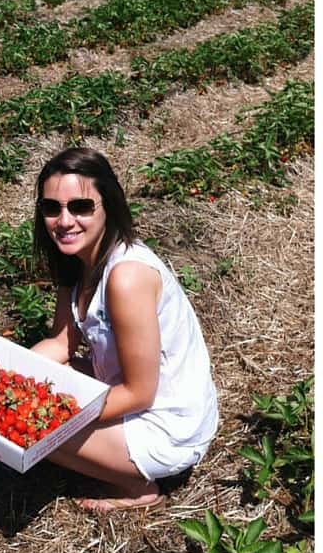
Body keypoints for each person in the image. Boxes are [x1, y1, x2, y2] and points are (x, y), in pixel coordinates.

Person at [29, 147, 218, 512]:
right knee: (39, 383)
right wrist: (6, 373)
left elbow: (139, 394)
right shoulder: (78, 262)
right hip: (128, 391)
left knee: (34, 432)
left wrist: (51, 412)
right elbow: (61, 343)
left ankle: (138, 487)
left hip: (167, 422)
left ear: (109, 205)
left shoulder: (126, 276)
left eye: (81, 207)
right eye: (52, 208)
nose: (64, 220)